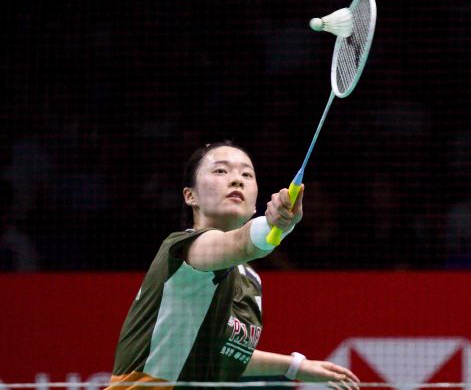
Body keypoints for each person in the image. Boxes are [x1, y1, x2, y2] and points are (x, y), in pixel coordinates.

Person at [107, 141, 359, 389]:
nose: (237, 180)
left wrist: (294, 366)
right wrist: (276, 226)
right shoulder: (183, 251)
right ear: (190, 196)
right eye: (220, 170)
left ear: (255, 203)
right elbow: (241, 244)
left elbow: (223, 354)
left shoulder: (249, 279)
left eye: (247, 174)